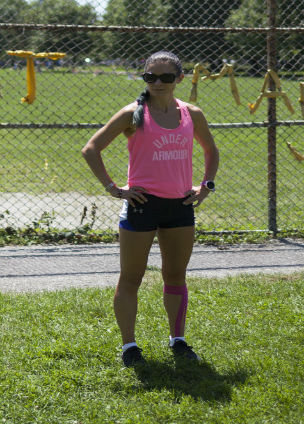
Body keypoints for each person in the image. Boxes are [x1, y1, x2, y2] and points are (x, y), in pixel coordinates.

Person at [81, 50, 220, 367]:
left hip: (180, 206)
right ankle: (129, 347)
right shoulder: (133, 113)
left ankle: (178, 340)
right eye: (150, 76)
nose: (158, 82)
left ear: (179, 79)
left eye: (166, 77)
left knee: (175, 276)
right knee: (131, 278)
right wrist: (115, 189)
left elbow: (211, 151)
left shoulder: (191, 113)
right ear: (144, 78)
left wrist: (206, 186)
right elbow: (91, 149)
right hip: (141, 206)